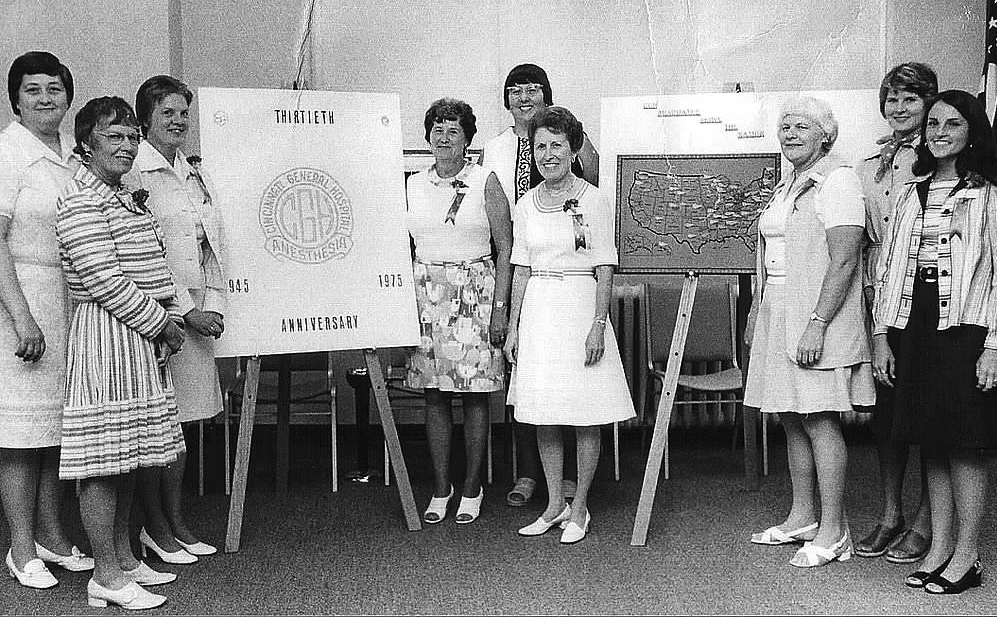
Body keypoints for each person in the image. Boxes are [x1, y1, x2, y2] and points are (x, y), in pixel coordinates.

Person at [56, 96, 186, 610]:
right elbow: (104, 280)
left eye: (133, 137)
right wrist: (163, 325)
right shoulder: (80, 199)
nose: (127, 146)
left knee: (129, 455)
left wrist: (166, 319)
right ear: (87, 143)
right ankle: (104, 575)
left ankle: (126, 558)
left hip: (139, 338)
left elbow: (152, 263)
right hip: (106, 336)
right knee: (103, 462)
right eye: (115, 137)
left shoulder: (123, 196)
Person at [873, 90, 997, 595]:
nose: (940, 133)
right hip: (915, 325)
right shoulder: (913, 191)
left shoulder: (988, 194)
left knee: (965, 444)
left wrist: (994, 347)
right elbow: (889, 267)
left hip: (967, 328)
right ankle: (941, 547)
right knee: (932, 440)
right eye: (933, 125)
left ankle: (968, 556)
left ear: (972, 132)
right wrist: (882, 335)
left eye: (952, 124)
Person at [745, 97, 874, 567]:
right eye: (785, 126)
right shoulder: (789, 185)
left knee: (819, 418)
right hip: (780, 310)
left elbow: (844, 261)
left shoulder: (838, 181)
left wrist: (817, 324)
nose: (791, 133)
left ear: (826, 135)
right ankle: (803, 517)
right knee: (791, 417)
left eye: (802, 126)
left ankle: (835, 531)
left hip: (817, 314)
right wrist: (759, 310)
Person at [505, 106, 634, 544]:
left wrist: (599, 323)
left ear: (573, 147)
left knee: (584, 413)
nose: (548, 153)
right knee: (544, 413)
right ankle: (554, 504)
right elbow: (520, 267)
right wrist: (513, 328)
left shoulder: (594, 199)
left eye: (556, 144)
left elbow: (605, 267)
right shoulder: (525, 204)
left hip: (580, 307)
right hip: (540, 310)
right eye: (540, 146)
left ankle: (580, 508)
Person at [479, 63, 598, 508]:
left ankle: (570, 478)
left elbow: (592, 186)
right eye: (515, 91)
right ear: (506, 99)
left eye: (533, 90)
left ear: (547, 94)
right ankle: (530, 472)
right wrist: (503, 298)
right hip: (516, 263)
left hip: (564, 268)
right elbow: (496, 219)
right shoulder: (495, 148)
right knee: (525, 376)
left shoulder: (568, 136)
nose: (524, 98)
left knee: (568, 378)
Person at [0, 51, 93, 589]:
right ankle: (18, 546)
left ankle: (52, 535)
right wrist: (21, 320)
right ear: (15, 99)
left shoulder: (67, 158)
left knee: (52, 429)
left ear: (67, 97)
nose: (44, 98)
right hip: (19, 303)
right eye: (32, 89)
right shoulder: (9, 154)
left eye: (54, 89)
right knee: (17, 433)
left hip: (64, 303)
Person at [126, 75, 223, 563]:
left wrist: (214, 306)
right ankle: (156, 526)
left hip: (200, 308)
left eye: (184, 112)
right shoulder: (134, 172)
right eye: (167, 112)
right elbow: (147, 252)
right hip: (158, 313)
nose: (178, 120)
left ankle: (173, 521)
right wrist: (186, 311)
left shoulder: (191, 170)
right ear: (145, 119)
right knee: (158, 427)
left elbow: (210, 245)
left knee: (182, 426)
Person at [406, 98, 512, 525]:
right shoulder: (413, 183)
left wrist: (501, 308)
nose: (443, 137)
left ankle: (472, 488)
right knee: (433, 394)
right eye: (437, 129)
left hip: (476, 294)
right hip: (426, 295)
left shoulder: (486, 179)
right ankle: (440, 488)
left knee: (474, 396)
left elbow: (506, 248)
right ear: (427, 136)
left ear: (467, 137)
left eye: (453, 130)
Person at [854, 63, 937, 563]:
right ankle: (891, 513)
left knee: (925, 412)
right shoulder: (869, 166)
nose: (899, 109)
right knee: (885, 417)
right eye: (892, 100)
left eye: (910, 99)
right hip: (877, 302)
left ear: (929, 104)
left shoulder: (941, 159)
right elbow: (864, 238)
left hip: (924, 302)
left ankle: (928, 520)